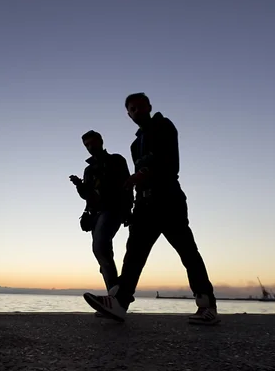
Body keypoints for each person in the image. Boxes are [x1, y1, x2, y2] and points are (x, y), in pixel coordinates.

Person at [83, 93, 220, 325]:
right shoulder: (135, 144)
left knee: (187, 251)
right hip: (144, 205)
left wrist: (142, 174)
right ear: (128, 114)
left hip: (168, 200)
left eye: (139, 107)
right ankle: (120, 304)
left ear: (149, 106)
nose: (136, 111)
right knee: (133, 256)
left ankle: (207, 306)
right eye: (131, 109)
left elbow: (168, 161)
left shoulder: (163, 126)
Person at [69, 130, 133, 301]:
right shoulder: (88, 170)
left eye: (92, 143)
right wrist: (79, 185)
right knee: (101, 252)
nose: (90, 147)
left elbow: (127, 184)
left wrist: (128, 209)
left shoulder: (116, 160)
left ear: (101, 141)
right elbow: (87, 195)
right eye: (86, 145)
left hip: (113, 209)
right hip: (95, 214)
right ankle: (114, 296)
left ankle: (117, 292)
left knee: (100, 246)